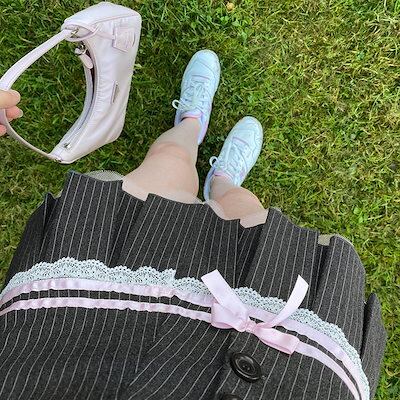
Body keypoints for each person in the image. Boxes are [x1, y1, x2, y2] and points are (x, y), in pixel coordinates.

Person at [0, 50, 386, 400]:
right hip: (288, 373)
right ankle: (225, 181)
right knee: (246, 215)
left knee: (165, 164)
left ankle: (190, 125)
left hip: (70, 344)